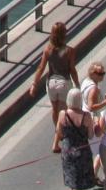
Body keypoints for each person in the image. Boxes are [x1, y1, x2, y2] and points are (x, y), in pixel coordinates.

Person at [31, 20, 79, 152]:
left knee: (55, 109)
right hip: (64, 82)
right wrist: (77, 85)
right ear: (65, 34)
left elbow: (41, 68)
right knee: (63, 113)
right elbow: (72, 70)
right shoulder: (70, 51)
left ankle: (59, 132)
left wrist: (34, 84)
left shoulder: (47, 50)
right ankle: (56, 141)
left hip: (51, 83)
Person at [56, 88, 100, 190]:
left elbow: (59, 133)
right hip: (82, 152)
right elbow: (90, 135)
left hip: (67, 151)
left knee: (73, 182)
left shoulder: (63, 114)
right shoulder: (86, 116)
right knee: (78, 186)